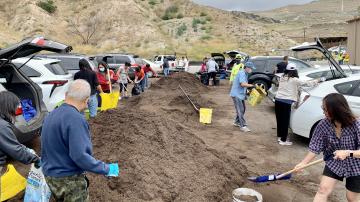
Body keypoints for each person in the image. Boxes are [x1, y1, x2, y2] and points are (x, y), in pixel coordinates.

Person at [41, 79, 119, 201]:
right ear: (86, 100)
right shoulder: (76, 119)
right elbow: (80, 157)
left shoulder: (51, 115)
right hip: (68, 180)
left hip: (50, 176)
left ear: (67, 95)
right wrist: (106, 169)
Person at [294, 93, 360, 202]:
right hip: (334, 161)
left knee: (352, 198)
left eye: (326, 109)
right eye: (323, 109)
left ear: (337, 109)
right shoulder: (324, 124)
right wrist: (303, 163)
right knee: (322, 190)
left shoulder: (356, 125)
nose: (324, 112)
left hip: (356, 165)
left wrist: (348, 153)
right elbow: (316, 145)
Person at [275, 63, 321, 145]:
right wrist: (317, 80)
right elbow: (307, 83)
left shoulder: (282, 77)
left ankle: (280, 136)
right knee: (285, 121)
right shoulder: (294, 80)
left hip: (278, 100)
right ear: (295, 71)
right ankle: (283, 140)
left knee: (280, 120)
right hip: (286, 102)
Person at [0, 91, 40, 173]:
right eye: (16, 106)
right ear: (8, 107)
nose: (17, 110)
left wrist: (27, 150)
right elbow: (15, 150)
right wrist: (35, 159)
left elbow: (11, 143)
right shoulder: (2, 126)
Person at [230, 62, 256, 132]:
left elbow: (243, 84)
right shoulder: (242, 73)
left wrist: (247, 92)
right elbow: (242, 84)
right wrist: (252, 85)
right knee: (240, 110)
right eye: (251, 68)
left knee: (243, 109)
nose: (251, 70)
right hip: (236, 94)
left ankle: (236, 122)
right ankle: (242, 126)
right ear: (247, 67)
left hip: (240, 94)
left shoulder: (245, 73)